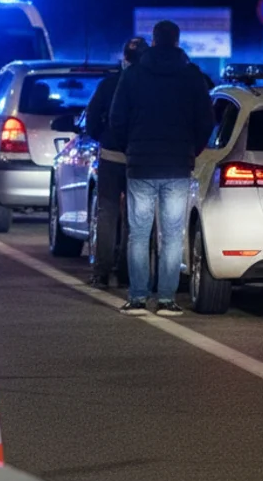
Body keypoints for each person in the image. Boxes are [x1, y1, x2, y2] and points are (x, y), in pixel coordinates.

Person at [110, 20, 213, 315]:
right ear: (177, 41)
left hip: (141, 164)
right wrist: (192, 150)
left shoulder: (133, 75)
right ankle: (167, 299)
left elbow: (117, 119)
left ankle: (138, 298)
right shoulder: (191, 76)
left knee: (139, 234)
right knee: (172, 234)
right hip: (177, 164)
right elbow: (206, 120)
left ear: (153, 41)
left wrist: (130, 148)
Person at [84, 36, 149, 288]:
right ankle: (125, 272)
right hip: (139, 157)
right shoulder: (151, 86)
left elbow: (91, 120)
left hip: (111, 156)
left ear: (124, 59)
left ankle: (101, 272)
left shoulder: (109, 84)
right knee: (135, 217)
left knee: (107, 213)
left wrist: (104, 137)